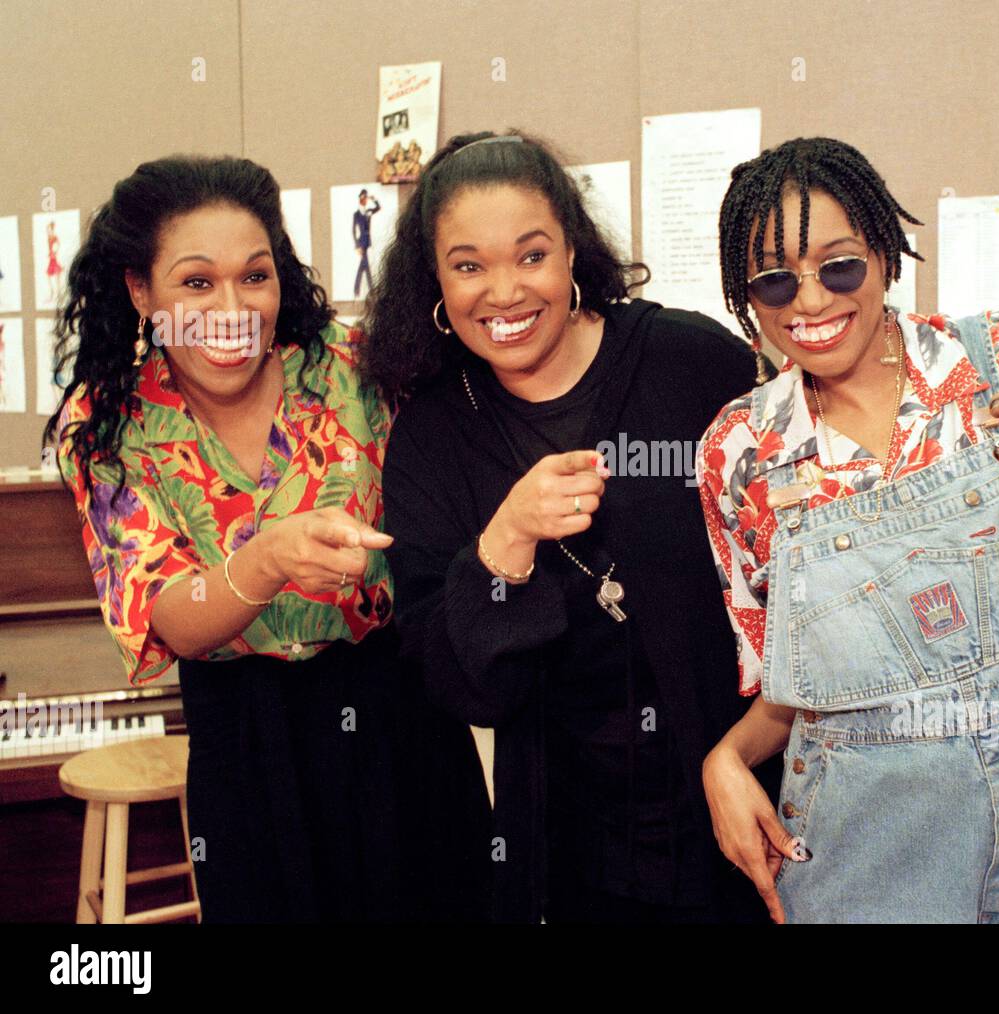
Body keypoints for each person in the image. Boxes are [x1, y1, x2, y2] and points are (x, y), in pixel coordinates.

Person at [696, 137, 999, 923]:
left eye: (838, 266)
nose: (808, 303)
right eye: (776, 280)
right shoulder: (740, 452)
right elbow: (794, 693)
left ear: (884, 255)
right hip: (873, 865)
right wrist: (727, 758)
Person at [44, 154, 489, 923]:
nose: (232, 307)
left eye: (255, 276)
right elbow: (169, 616)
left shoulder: (356, 368)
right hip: (248, 740)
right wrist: (266, 560)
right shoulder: (110, 423)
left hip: (401, 714)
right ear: (140, 291)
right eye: (195, 282)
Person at [362, 130, 782, 924]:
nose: (505, 292)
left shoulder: (688, 361)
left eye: (530, 256)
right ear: (436, 283)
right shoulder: (434, 434)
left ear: (570, 254)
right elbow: (455, 685)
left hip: (746, 792)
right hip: (569, 843)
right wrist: (506, 543)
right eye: (468, 265)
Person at [353, 189, 380, 298]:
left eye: (366, 198)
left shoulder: (368, 211)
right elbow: (353, 230)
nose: (364, 200)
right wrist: (357, 245)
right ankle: (364, 289)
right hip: (361, 242)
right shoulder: (356, 214)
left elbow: (378, 208)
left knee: (364, 266)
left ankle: (358, 289)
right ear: (360, 199)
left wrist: (374, 199)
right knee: (364, 266)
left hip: (367, 241)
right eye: (363, 198)